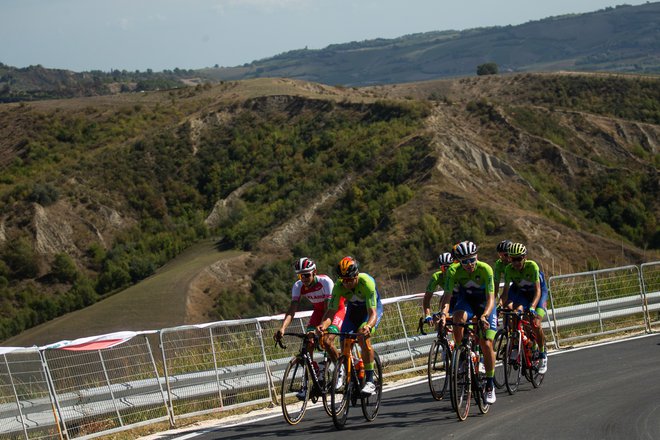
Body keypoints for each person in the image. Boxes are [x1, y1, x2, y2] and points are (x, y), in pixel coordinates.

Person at [274, 257, 346, 398]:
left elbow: (328, 308)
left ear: (314, 272)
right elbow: (292, 309)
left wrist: (321, 327)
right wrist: (282, 328)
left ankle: (340, 370)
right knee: (308, 344)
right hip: (318, 312)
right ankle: (313, 377)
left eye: (307, 275)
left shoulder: (326, 282)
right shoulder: (298, 286)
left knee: (326, 341)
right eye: (301, 275)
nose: (304, 278)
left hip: (335, 310)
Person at [437, 240, 498, 404]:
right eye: (465, 261)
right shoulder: (452, 270)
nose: (470, 264)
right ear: (459, 261)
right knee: (457, 318)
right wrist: (443, 314)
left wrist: (484, 315)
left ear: (477, 257)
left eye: (473, 259)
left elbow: (491, 298)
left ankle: (490, 385)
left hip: (485, 304)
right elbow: (447, 296)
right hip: (467, 302)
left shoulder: (486, 269)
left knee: (486, 343)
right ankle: (461, 353)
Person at [317, 256, 384, 396]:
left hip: (370, 310)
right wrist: (323, 325)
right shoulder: (339, 286)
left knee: (362, 336)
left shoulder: (367, 282)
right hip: (353, 311)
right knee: (344, 340)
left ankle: (370, 381)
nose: (346, 283)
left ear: (356, 275)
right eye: (343, 279)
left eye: (349, 279)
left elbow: (372, 312)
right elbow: (331, 312)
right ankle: (350, 373)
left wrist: (369, 326)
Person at [499, 243, 549, 374]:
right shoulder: (509, 269)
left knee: (536, 323)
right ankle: (517, 344)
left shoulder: (532, 266)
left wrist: (532, 307)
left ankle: (543, 354)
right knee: (515, 314)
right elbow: (505, 292)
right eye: (512, 259)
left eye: (518, 259)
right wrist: (499, 305)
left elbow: (538, 291)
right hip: (523, 294)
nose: (516, 262)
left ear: (524, 257)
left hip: (538, 295)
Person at [422, 252, 454, 325]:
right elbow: (427, 298)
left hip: (461, 297)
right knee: (438, 321)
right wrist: (427, 315)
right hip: (447, 298)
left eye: (449, 267)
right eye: (443, 268)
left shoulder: (458, 273)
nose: (446, 270)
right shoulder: (437, 277)